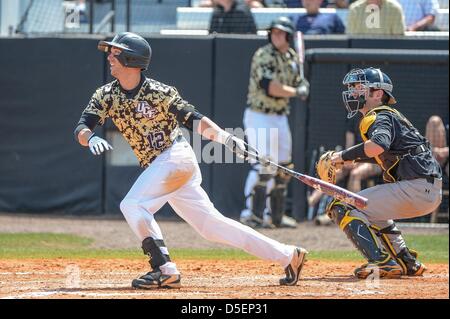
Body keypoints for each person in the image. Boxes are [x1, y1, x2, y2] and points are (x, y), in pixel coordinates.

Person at [74, 32, 308, 288]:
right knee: (211, 226)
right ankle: (289, 255)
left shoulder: (160, 92)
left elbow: (194, 119)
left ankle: (164, 269)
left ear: (132, 59)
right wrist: (90, 138)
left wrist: (226, 139)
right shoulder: (105, 94)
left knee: (132, 204)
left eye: (116, 53)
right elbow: (83, 127)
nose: (110, 57)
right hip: (161, 166)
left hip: (175, 157)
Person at [321, 67, 442, 279]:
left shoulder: (378, 115)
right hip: (424, 188)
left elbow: (377, 145)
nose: (353, 93)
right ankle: (406, 261)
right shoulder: (389, 116)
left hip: (416, 186)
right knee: (371, 210)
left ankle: (380, 261)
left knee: (343, 203)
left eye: (360, 88)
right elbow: (383, 152)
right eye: (353, 88)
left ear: (377, 94)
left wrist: (340, 156)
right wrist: (347, 159)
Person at [240, 17, 310, 229]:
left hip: (280, 116)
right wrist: (297, 91)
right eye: (273, 32)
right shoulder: (264, 55)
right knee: (264, 165)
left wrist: (303, 85)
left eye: (280, 33)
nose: (276, 35)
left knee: (283, 166)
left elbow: (298, 82)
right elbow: (269, 86)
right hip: (259, 115)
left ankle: (276, 216)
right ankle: (252, 213)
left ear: (288, 36)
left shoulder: (290, 57)